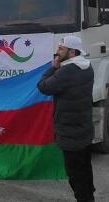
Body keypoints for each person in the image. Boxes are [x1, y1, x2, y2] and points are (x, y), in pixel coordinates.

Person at [37, 35, 95, 202]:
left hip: (70, 132)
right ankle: (89, 196)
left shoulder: (67, 71)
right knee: (85, 168)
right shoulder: (87, 66)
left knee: (75, 174)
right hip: (83, 129)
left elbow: (43, 87)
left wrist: (52, 68)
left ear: (71, 52)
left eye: (61, 49)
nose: (57, 52)